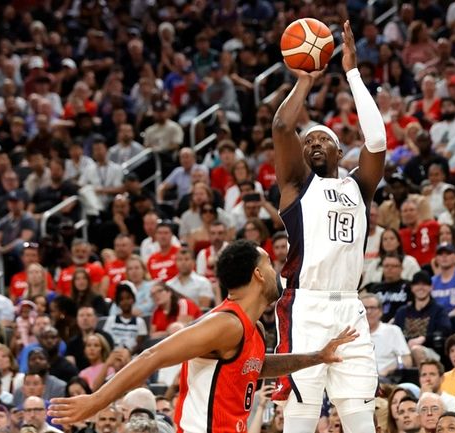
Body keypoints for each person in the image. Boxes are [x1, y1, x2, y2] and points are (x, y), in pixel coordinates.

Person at [48, 240, 357, 433]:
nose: (277, 271)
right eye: (268, 263)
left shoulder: (253, 329)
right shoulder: (225, 324)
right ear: (258, 275)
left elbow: (256, 366)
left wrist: (318, 357)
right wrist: (96, 400)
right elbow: (151, 356)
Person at [270, 21, 386, 433]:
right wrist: (305, 80)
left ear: (339, 150)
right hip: (307, 305)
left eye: (322, 140)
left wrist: (352, 72)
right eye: (309, 143)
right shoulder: (298, 186)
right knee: (301, 415)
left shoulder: (359, 186)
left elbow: (377, 141)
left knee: (359, 416)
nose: (313, 144)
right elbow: (283, 128)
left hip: (350, 307)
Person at [361, 293, 412, 380]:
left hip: (384, 378)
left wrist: (390, 369)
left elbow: (407, 361)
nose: (368, 312)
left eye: (372, 308)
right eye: (364, 308)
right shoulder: (351, 333)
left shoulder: (393, 331)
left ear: (381, 311)